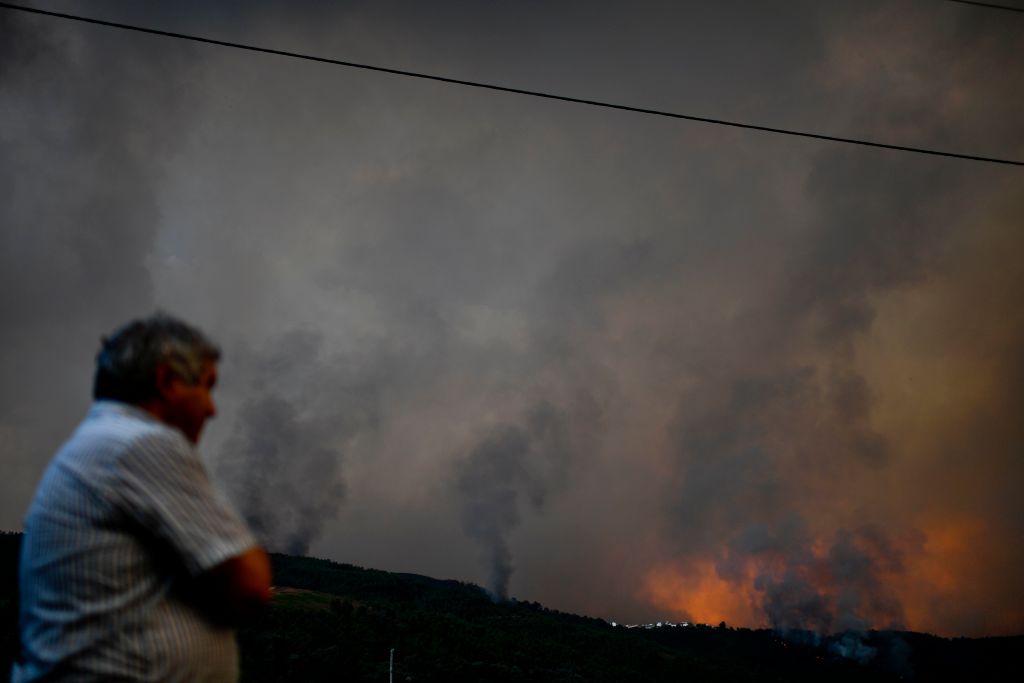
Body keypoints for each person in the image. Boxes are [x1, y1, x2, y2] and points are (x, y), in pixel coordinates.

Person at [12, 313, 271, 682]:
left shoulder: (100, 442)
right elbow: (250, 587)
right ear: (166, 380)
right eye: (206, 386)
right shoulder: (140, 443)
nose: (212, 410)